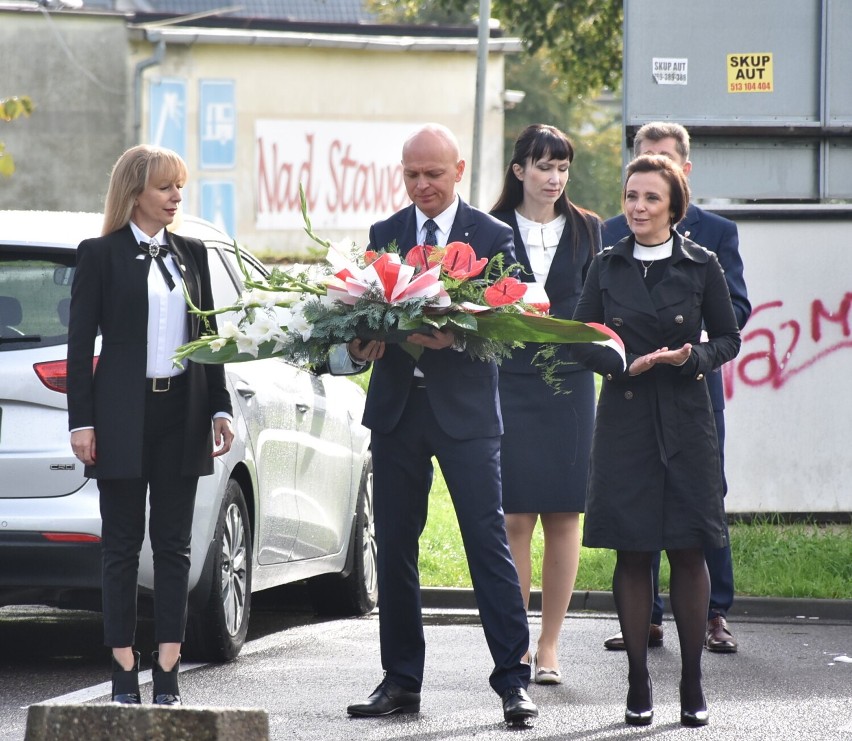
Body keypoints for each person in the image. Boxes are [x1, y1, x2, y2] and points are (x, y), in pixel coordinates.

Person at [344, 123, 538, 725]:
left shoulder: (494, 234)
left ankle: (513, 681)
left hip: (468, 415)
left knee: (487, 544)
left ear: (458, 172)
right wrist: (362, 343)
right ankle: (401, 680)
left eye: (433, 174)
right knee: (395, 544)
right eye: (411, 175)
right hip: (398, 412)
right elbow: (360, 315)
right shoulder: (385, 236)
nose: (421, 185)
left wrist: (459, 334)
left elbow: (524, 315)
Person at [571, 154, 741, 727]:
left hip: (686, 418)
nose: (637, 208)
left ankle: (692, 679)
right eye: (631, 197)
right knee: (634, 550)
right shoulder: (606, 263)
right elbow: (581, 338)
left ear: (674, 207)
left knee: (689, 549)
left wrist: (693, 356)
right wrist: (620, 364)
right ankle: (639, 678)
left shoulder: (701, 263)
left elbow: (728, 338)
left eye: (650, 199)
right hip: (625, 419)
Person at [67, 145, 234, 705]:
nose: (176, 197)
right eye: (166, 187)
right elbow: (77, 348)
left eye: (179, 187)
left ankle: (167, 665)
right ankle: (121, 664)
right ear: (135, 191)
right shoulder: (101, 255)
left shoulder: (192, 255)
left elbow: (209, 341)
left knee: (173, 545)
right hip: (119, 416)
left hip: (179, 415)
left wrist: (219, 408)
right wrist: (81, 422)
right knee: (120, 544)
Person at [600, 122, 751, 655]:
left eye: (663, 162)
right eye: (642, 164)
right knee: (638, 516)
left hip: (693, 390)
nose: (643, 200)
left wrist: (695, 344)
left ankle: (715, 613)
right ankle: (648, 619)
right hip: (633, 398)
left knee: (702, 508)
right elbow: (590, 323)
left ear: (682, 174)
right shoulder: (609, 239)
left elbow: (735, 310)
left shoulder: (715, 235)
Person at [489, 124, 600, 684]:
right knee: (513, 516)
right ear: (519, 171)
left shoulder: (590, 230)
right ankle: (516, 645)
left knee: (563, 512)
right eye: (542, 166)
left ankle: (550, 645)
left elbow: (604, 305)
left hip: (571, 384)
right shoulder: (488, 229)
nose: (553, 178)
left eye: (561, 167)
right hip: (507, 380)